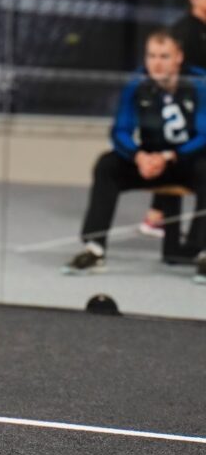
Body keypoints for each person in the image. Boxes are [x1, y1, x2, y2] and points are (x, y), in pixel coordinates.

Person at [63, 30, 206, 282]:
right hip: (148, 162)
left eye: (164, 56)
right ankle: (94, 248)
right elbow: (120, 130)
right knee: (107, 165)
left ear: (178, 58)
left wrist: (170, 156)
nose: (157, 63)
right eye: (151, 56)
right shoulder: (136, 84)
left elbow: (204, 133)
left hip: (186, 160)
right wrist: (139, 156)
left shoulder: (198, 83)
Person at [144, 0, 206, 235]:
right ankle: (158, 216)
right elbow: (178, 73)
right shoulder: (185, 31)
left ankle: (159, 216)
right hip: (181, 105)